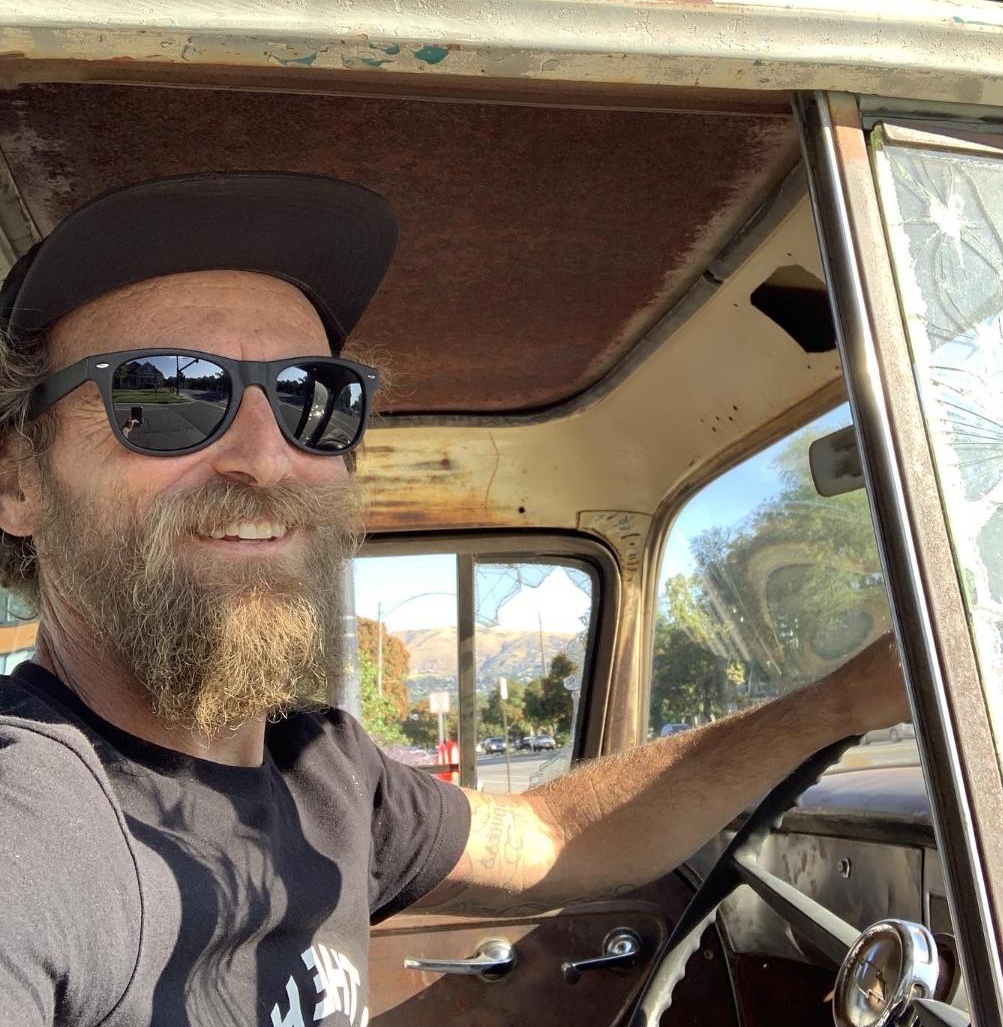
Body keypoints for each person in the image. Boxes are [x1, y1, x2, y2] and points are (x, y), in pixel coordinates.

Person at [0, 173, 909, 1026]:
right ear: (16, 480)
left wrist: (840, 703)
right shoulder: (36, 824)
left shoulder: (320, 765)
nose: (267, 456)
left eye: (312, 398)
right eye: (164, 394)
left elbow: (551, 836)